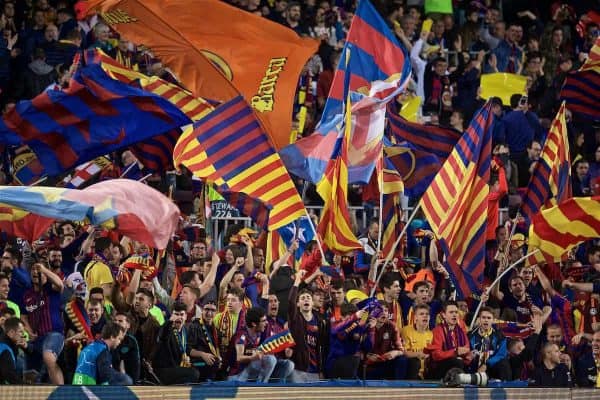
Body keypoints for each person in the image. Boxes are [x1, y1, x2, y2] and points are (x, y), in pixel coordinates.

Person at [228, 307, 294, 382]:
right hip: (238, 375)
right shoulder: (241, 335)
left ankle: (274, 385)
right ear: (254, 324)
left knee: (288, 364)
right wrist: (254, 357)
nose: (267, 323)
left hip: (250, 372)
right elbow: (239, 358)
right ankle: (262, 386)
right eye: (263, 321)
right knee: (270, 359)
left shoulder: (258, 334)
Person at [288, 270, 324, 382]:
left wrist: (321, 369)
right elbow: (290, 301)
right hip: (298, 370)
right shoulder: (295, 319)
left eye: (308, 298)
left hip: (315, 371)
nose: (306, 300)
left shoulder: (320, 322)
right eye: (302, 298)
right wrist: (297, 280)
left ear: (312, 303)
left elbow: (322, 347)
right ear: (298, 304)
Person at [152, 302, 199, 384]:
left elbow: (184, 347)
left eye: (181, 314)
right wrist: (170, 321)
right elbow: (163, 336)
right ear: (172, 316)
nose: (179, 317)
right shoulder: (167, 328)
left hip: (176, 368)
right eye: (176, 314)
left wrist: (185, 358)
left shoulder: (185, 330)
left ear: (186, 316)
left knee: (197, 369)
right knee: (194, 374)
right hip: (163, 370)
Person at [427, 300, 472, 379]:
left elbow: (466, 350)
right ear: (444, 315)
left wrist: (469, 356)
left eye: (456, 312)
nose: (454, 315)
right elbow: (436, 355)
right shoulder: (437, 331)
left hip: (459, 362)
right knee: (457, 361)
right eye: (451, 312)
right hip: (439, 367)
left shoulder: (461, 331)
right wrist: (455, 352)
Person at [468, 307, 511, 380]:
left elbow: (501, 355)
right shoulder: (470, 335)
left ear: (493, 320)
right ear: (479, 319)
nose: (486, 320)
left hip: (492, 367)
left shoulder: (500, 336)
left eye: (489, 318)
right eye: (483, 317)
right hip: (474, 366)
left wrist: (486, 364)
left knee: (504, 363)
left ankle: (505, 386)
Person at [0, 317, 27, 383]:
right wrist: (26, 385)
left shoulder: (8, 342)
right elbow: (10, 376)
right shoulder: (5, 348)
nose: (23, 335)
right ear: (11, 332)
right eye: (20, 332)